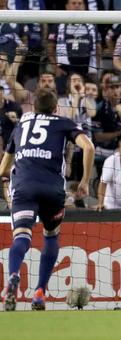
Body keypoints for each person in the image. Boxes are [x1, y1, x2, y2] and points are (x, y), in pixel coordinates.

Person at [0, 88, 95, 311]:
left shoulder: (21, 124)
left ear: (33, 108)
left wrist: (8, 185)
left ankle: (13, 276)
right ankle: (40, 292)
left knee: (21, 237)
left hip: (24, 188)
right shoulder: (63, 122)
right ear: (55, 108)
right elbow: (89, 147)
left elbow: (4, 168)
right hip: (53, 190)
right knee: (51, 236)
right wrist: (84, 182)